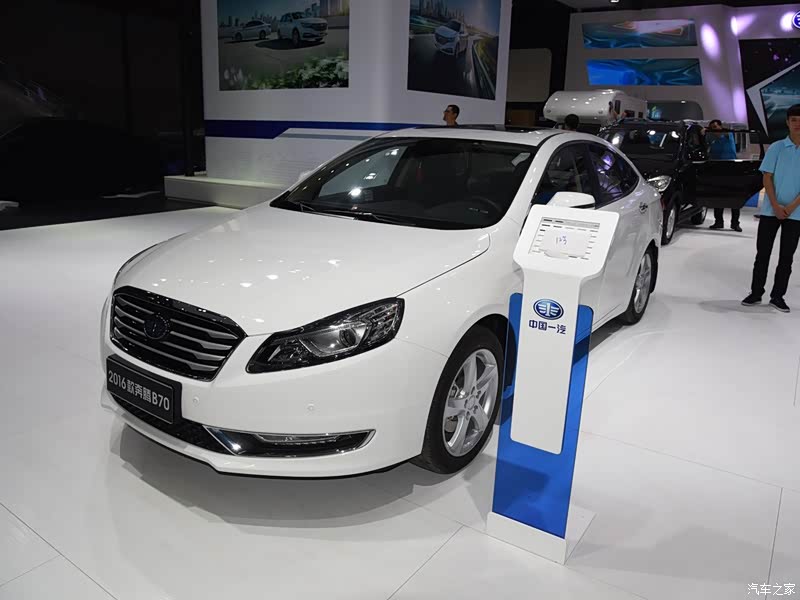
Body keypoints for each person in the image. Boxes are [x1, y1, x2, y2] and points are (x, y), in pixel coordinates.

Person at [742, 104, 800, 313]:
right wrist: (775, 206)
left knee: (787, 257)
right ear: (787, 122)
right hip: (770, 211)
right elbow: (767, 177)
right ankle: (756, 292)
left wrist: (791, 207)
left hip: (796, 213)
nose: (798, 124)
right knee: (763, 254)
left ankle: (778, 296)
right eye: (794, 120)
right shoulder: (776, 147)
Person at [706, 119, 741, 232]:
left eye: (715, 127)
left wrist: (707, 130)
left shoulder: (727, 135)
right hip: (717, 171)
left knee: (734, 198)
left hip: (732, 170)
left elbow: (725, 131)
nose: (714, 130)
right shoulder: (712, 141)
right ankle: (718, 222)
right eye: (712, 128)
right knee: (718, 197)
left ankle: (735, 223)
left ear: (720, 127)